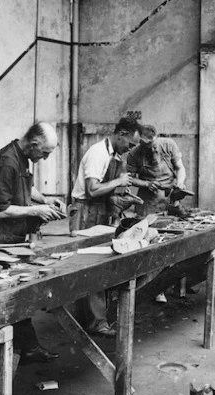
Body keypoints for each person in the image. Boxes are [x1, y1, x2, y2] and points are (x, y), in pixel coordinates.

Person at [0, 122, 63, 364]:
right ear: (34, 144)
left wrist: (47, 201)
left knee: (17, 292)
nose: (43, 159)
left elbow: (26, 187)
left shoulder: (21, 158)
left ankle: (27, 347)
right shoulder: (5, 163)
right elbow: (0, 211)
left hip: (10, 238)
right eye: (44, 153)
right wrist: (35, 211)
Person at [69, 117, 141, 336]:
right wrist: (118, 183)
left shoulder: (115, 155)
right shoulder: (97, 153)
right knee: (88, 264)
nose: (131, 149)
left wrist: (119, 200)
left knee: (100, 264)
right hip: (85, 212)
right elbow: (91, 189)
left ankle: (94, 318)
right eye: (130, 144)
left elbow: (105, 191)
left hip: (99, 210)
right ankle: (94, 321)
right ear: (122, 134)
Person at [127, 124, 188, 303]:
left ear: (156, 138)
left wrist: (180, 182)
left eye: (152, 145)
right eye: (146, 147)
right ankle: (149, 285)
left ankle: (167, 283)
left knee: (171, 238)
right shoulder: (135, 153)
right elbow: (129, 178)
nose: (151, 150)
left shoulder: (168, 145)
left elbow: (180, 168)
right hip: (147, 199)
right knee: (147, 241)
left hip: (169, 196)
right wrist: (145, 184)